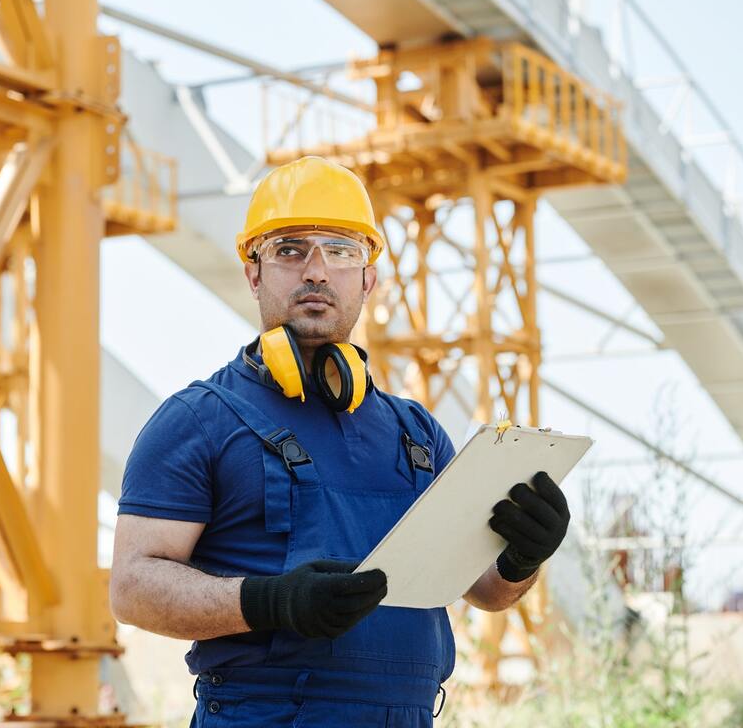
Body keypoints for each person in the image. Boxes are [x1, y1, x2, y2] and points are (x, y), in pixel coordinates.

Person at [109, 156, 570, 727]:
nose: (317, 271)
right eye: (290, 249)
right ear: (254, 273)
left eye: (342, 251)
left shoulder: (416, 434)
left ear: (367, 279)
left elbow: (487, 591)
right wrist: (270, 601)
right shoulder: (198, 421)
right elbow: (131, 589)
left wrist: (526, 556)